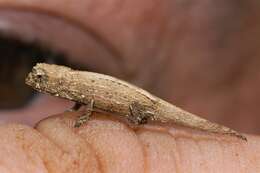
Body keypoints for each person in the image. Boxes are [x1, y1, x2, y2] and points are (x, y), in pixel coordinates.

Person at [0, 0, 260, 172]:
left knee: (189, 123)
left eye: (12, 54)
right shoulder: (71, 84)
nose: (33, 82)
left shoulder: (73, 83)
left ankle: (225, 132)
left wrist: (85, 117)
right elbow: (83, 98)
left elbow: (91, 98)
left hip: (137, 103)